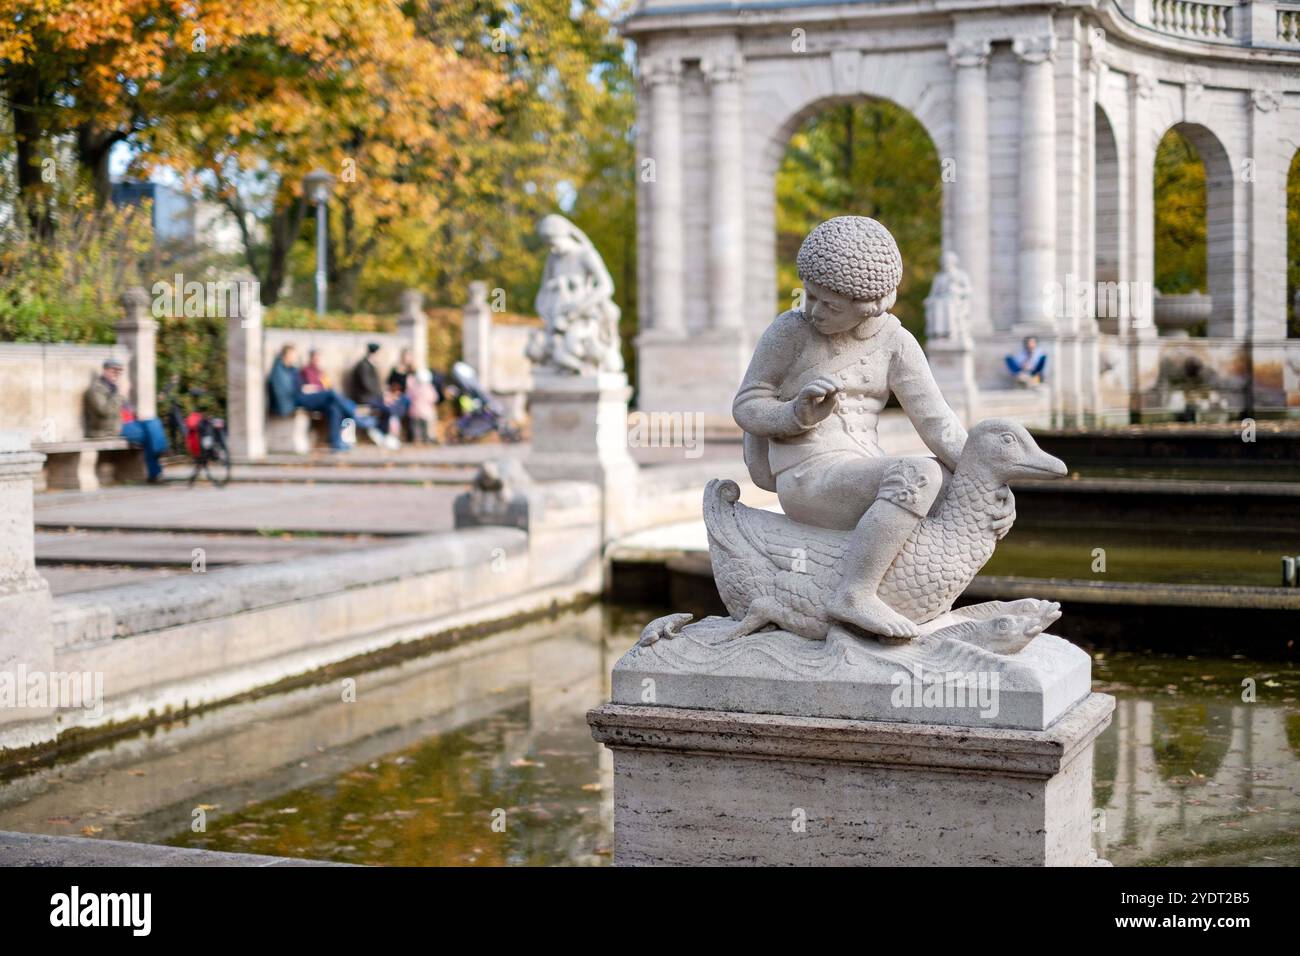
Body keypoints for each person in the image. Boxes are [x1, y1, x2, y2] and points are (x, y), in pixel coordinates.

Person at [733, 216, 1015, 640]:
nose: (813, 310)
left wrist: (988, 485)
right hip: (808, 474)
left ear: (871, 305)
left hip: (861, 469)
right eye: (809, 295)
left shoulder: (896, 343)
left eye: (830, 305)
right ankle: (854, 593)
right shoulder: (790, 331)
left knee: (953, 481)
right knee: (919, 473)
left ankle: (910, 598)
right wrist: (797, 414)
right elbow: (747, 405)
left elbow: (939, 426)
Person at [268, 344, 374, 452]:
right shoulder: (283, 370)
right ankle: (355, 415)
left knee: (333, 407)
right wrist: (305, 389)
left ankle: (336, 443)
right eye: (293, 355)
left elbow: (302, 385)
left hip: (304, 395)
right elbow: (285, 392)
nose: (294, 357)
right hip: (295, 400)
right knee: (331, 394)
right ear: (286, 355)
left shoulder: (295, 369)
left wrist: (306, 388)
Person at [85, 359, 168, 482]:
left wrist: (136, 415)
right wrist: (121, 394)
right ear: (105, 370)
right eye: (114, 370)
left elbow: (123, 409)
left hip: (125, 423)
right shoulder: (95, 389)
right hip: (109, 428)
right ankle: (157, 462)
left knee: (153, 422)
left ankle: (157, 458)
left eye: (119, 371)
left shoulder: (114, 388)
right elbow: (105, 411)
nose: (117, 373)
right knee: (150, 435)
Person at [348, 343, 400, 448]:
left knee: (392, 406)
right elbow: (367, 385)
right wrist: (381, 396)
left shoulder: (370, 365)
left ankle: (382, 433)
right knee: (387, 409)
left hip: (372, 397)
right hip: (364, 398)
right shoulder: (363, 365)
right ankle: (380, 433)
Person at [406, 367, 440, 444]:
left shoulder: (414, 387)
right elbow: (434, 398)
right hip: (427, 412)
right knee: (426, 427)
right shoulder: (429, 388)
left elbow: (409, 397)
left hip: (414, 411)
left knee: (416, 428)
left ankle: (417, 439)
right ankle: (426, 439)